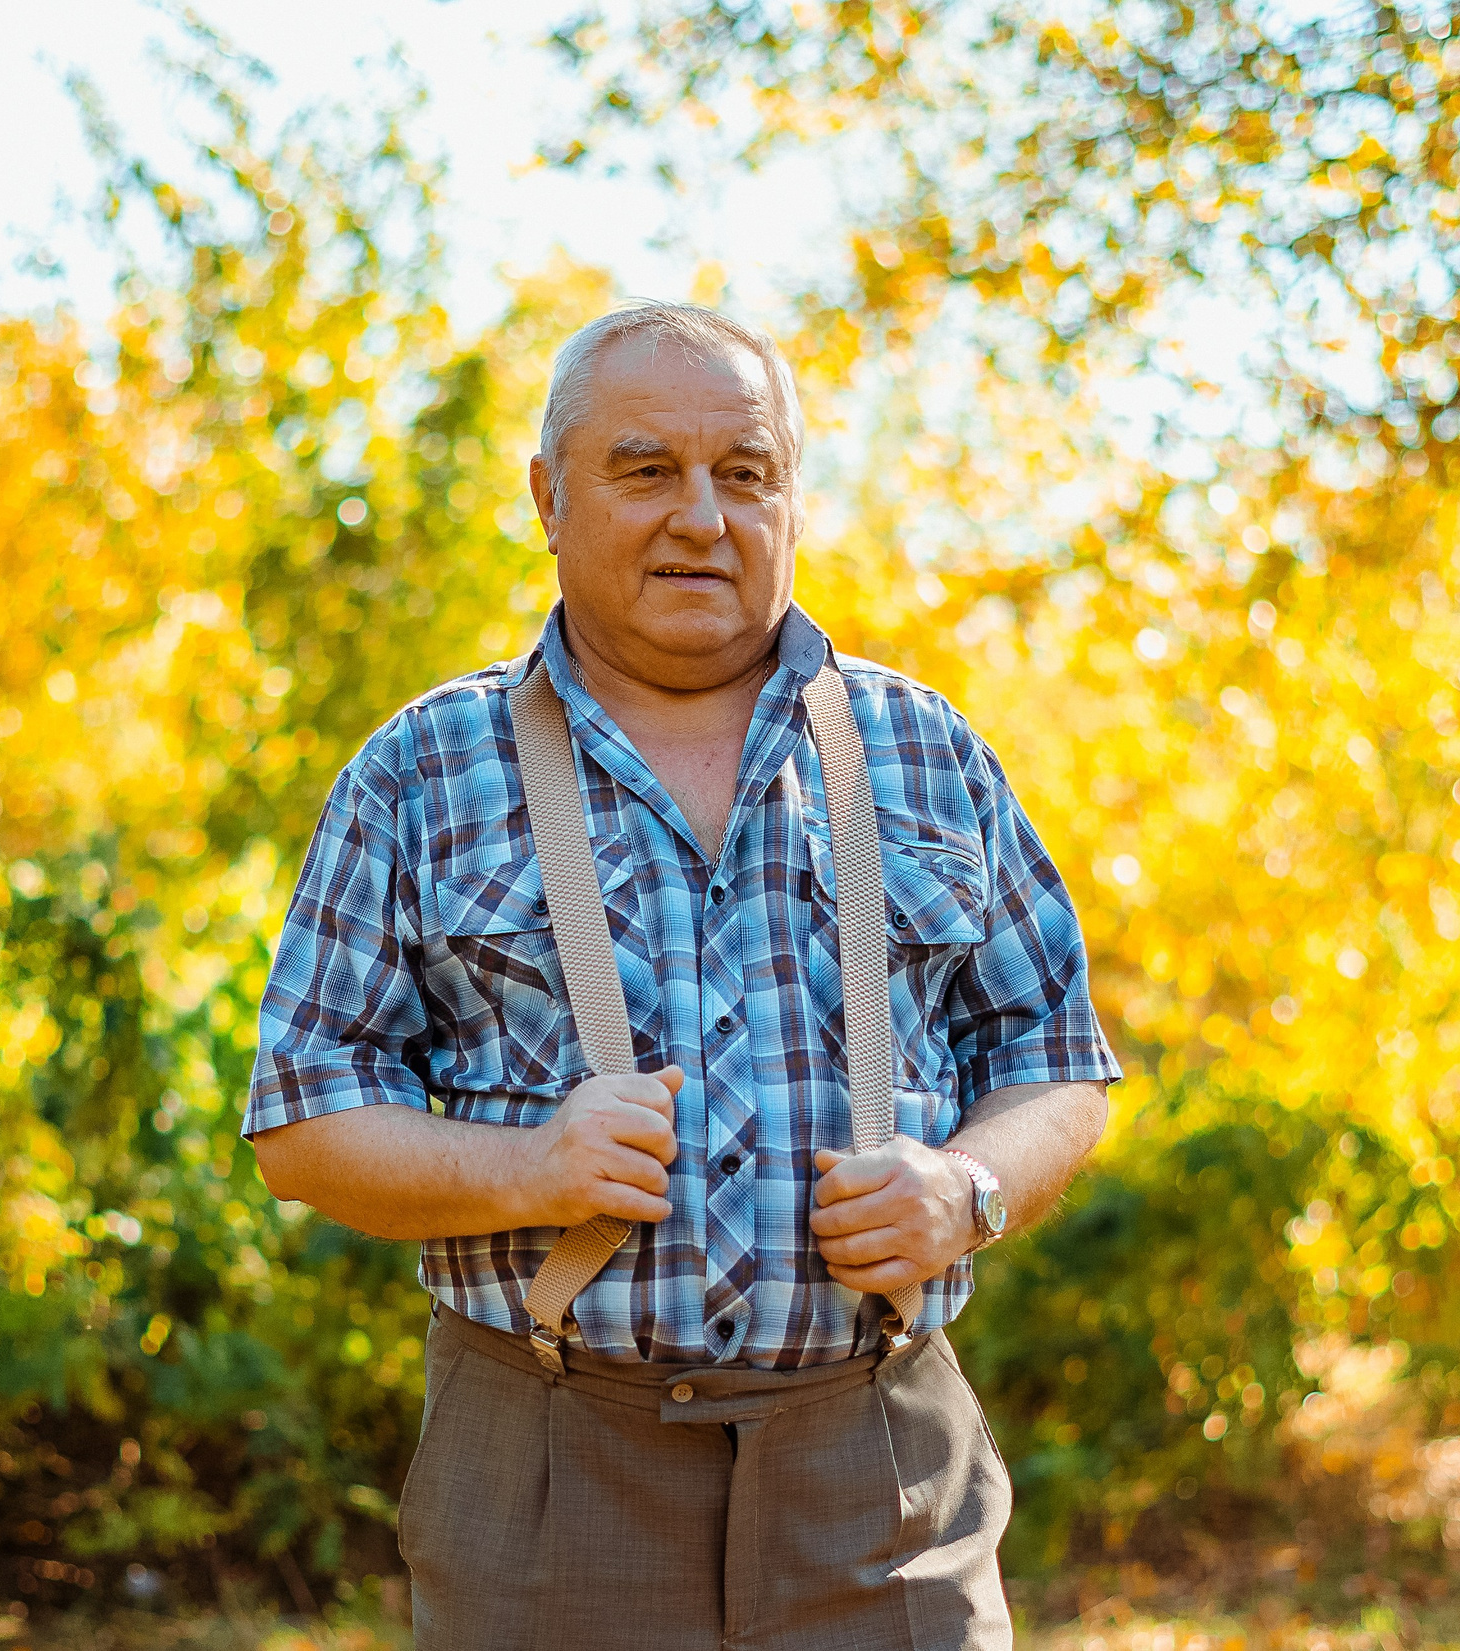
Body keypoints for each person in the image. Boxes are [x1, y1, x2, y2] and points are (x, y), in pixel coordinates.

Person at [242, 300, 1120, 1650]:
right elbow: (302, 1126)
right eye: (647, 470)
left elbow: (1056, 1062)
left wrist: (968, 1189)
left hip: (879, 1470)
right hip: (548, 1471)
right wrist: (527, 1170)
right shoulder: (421, 771)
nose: (702, 517)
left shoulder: (926, 750)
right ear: (549, 496)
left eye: (744, 474)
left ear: (790, 499)